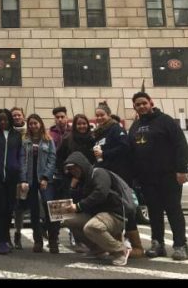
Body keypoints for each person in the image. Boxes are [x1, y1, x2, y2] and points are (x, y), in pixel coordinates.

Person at [128, 92, 188, 261]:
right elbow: (131, 152)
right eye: (137, 104)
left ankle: (180, 245)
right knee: (154, 212)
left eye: (144, 103)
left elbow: (181, 145)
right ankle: (157, 244)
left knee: (173, 210)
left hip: (168, 176)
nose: (141, 106)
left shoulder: (166, 121)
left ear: (151, 103)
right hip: (147, 179)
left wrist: (182, 170)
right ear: (134, 107)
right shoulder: (135, 126)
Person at [61, 151, 132, 266]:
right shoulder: (81, 181)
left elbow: (100, 193)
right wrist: (73, 188)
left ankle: (120, 250)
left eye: (74, 168)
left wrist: (79, 206)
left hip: (114, 214)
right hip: (97, 215)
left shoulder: (99, 173)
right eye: (70, 169)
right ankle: (98, 249)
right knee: (69, 220)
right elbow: (77, 200)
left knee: (92, 227)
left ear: (81, 165)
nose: (73, 171)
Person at [93, 101, 144, 258]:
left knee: (126, 208)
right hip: (107, 177)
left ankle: (137, 247)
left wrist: (104, 154)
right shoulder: (99, 133)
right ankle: (117, 245)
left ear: (108, 115)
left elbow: (124, 147)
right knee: (113, 210)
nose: (99, 118)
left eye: (102, 115)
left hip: (120, 177)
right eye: (97, 115)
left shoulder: (116, 129)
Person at [55, 113, 96, 253]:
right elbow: (59, 158)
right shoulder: (68, 139)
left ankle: (90, 239)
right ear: (75, 126)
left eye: (84, 123)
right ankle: (76, 239)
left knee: (87, 209)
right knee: (70, 210)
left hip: (90, 179)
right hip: (72, 180)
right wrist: (67, 172)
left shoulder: (93, 139)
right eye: (79, 124)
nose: (82, 126)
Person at [0, 108, 23, 255]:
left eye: (5, 119)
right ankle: (0, 241)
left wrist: (18, 170)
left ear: (10, 120)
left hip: (11, 178)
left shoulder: (16, 135)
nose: (3, 122)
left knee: (9, 209)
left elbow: (19, 155)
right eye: (0, 119)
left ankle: (7, 239)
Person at [20, 113, 59, 253]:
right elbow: (22, 161)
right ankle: (38, 241)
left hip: (45, 180)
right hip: (30, 180)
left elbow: (52, 160)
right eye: (30, 124)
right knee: (34, 211)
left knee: (50, 209)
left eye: (35, 123)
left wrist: (46, 177)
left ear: (40, 124)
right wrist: (24, 179)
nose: (33, 126)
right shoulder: (25, 141)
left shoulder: (48, 140)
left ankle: (53, 240)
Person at [11, 106, 26, 249]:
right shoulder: (9, 133)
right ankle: (18, 233)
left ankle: (42, 234)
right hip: (14, 174)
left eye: (18, 115)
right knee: (17, 207)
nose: (16, 117)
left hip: (31, 174)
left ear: (23, 116)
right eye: (14, 115)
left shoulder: (30, 131)